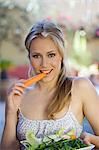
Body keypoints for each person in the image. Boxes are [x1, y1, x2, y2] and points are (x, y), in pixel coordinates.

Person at [0, 19, 99, 150]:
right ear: (29, 57)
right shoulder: (18, 93)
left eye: (51, 55)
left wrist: (89, 139)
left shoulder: (81, 87)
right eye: (36, 56)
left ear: (61, 56)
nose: (44, 64)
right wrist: (11, 111)